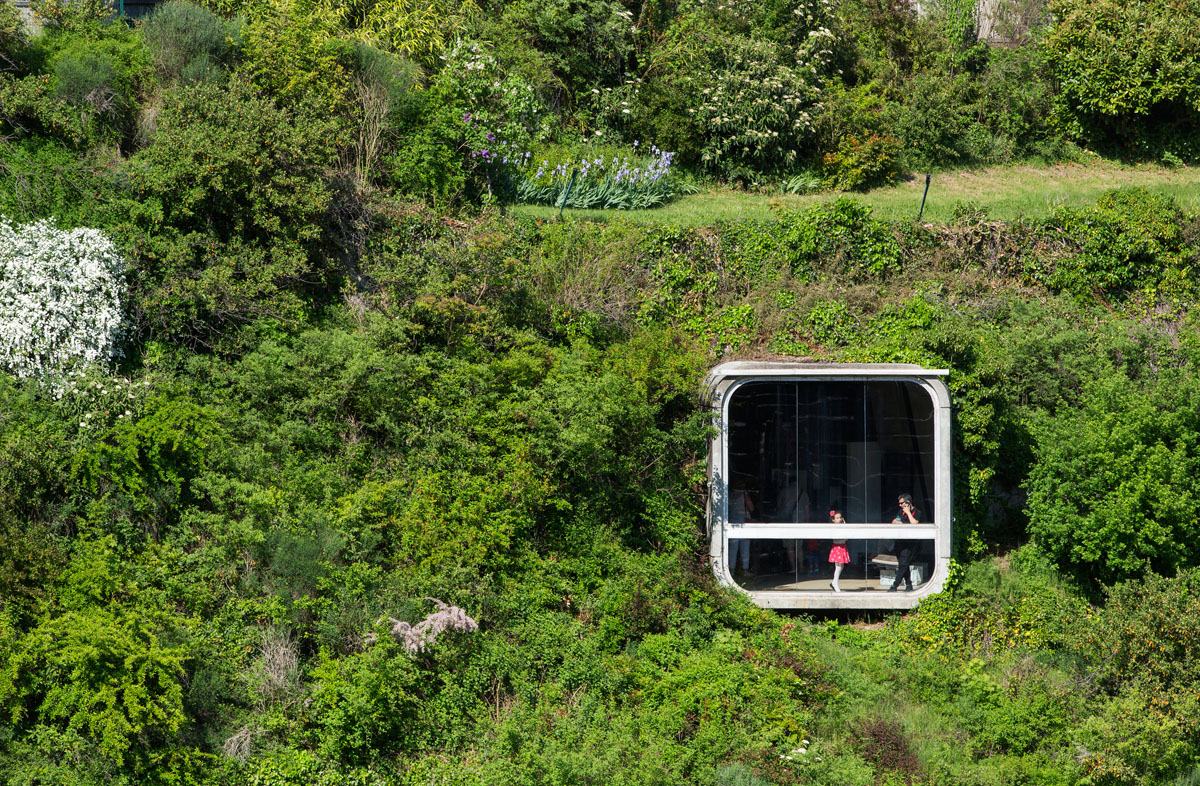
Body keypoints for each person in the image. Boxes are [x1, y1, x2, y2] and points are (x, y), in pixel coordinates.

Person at [889, 493, 922, 592]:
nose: (900, 505)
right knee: (904, 564)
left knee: (903, 565)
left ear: (908, 502)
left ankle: (895, 586)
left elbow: (914, 523)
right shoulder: (900, 512)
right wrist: (899, 522)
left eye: (902, 503)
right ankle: (909, 585)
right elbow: (894, 521)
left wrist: (908, 513)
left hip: (911, 543)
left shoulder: (917, 512)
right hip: (900, 541)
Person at [728, 481, 756, 576]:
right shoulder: (744, 495)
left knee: (733, 548)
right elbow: (751, 508)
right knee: (745, 547)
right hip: (743, 523)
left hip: (732, 523)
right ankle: (745, 569)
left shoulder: (729, 495)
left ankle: (731, 569)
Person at [828, 510, 850, 592]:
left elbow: (846, 538)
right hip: (838, 547)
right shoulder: (834, 528)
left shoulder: (842, 527)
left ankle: (834, 582)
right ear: (833, 520)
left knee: (841, 566)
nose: (839, 519)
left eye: (840, 517)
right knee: (838, 566)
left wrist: (845, 526)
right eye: (837, 518)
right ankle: (835, 583)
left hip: (842, 546)